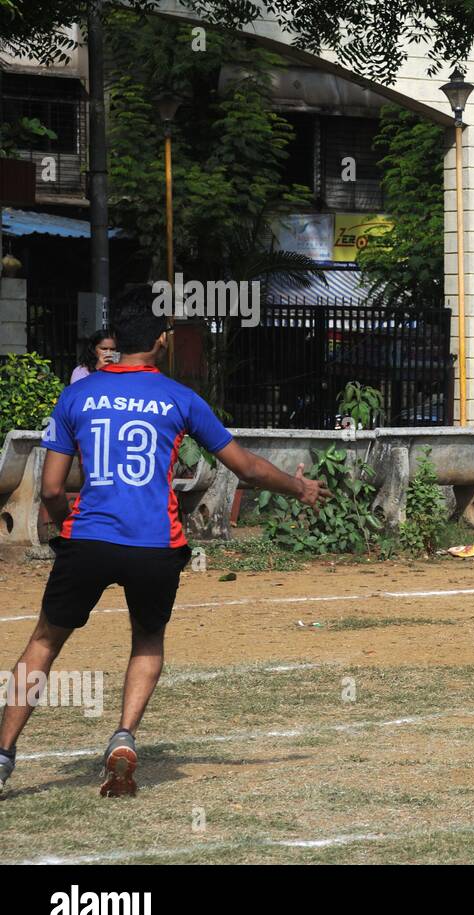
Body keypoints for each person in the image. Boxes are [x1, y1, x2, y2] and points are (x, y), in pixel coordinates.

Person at [0, 287, 329, 797]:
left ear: (114, 343)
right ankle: (124, 734)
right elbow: (245, 468)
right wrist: (300, 486)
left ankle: (2, 754)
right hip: (155, 543)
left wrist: (68, 527)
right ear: (159, 341)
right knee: (147, 639)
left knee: (44, 641)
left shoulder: (77, 395)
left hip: (88, 538)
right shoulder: (180, 399)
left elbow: (49, 488)